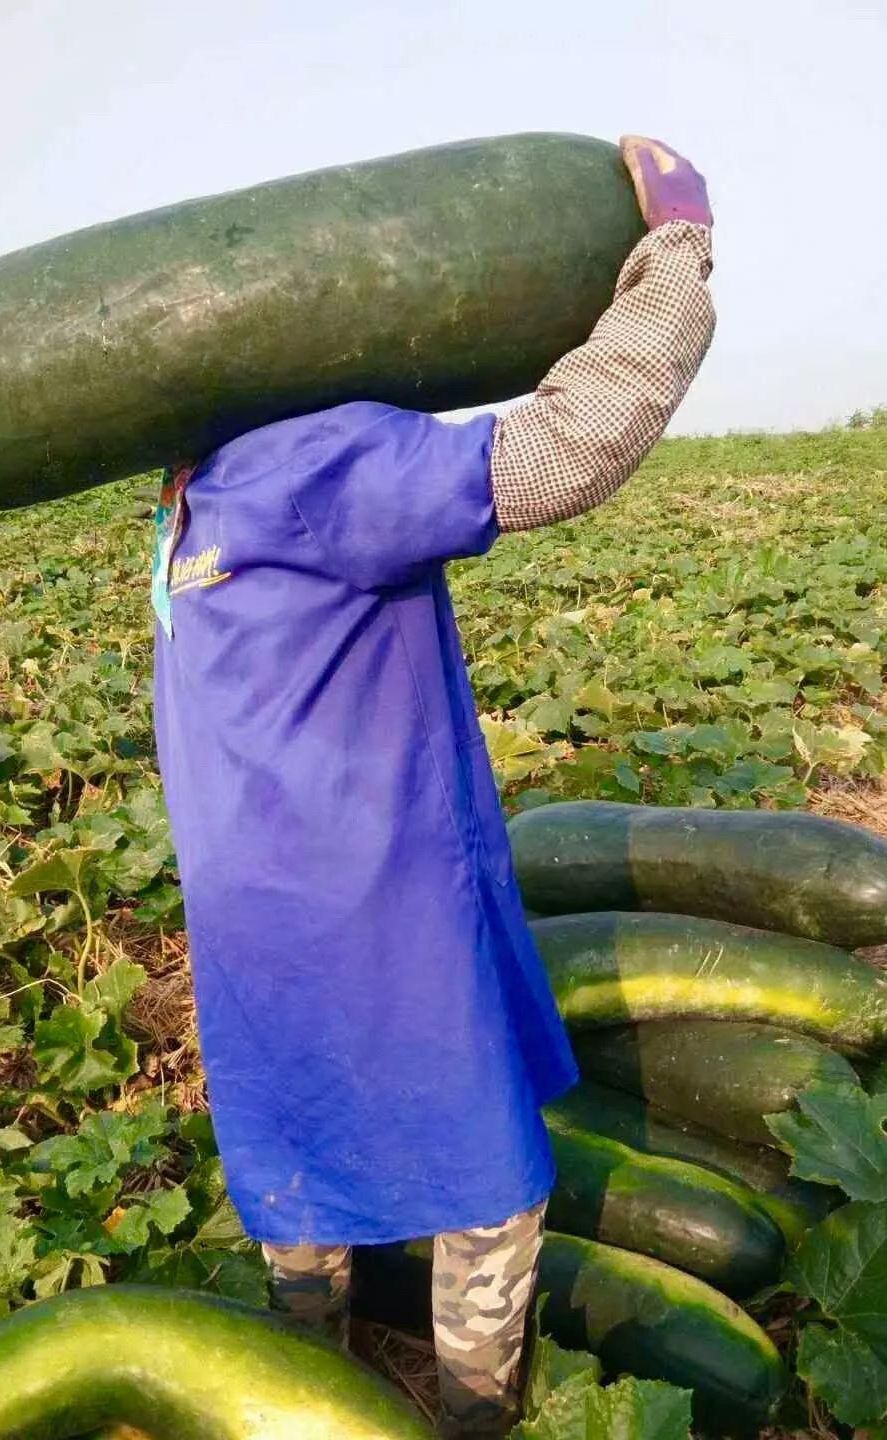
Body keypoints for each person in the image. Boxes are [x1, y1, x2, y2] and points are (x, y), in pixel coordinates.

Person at [151, 135, 715, 1437]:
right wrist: (672, 255)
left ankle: (308, 1381)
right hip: (377, 908)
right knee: (487, 1184)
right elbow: (558, 458)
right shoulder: (313, 457)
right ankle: (467, 1411)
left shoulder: (189, 490)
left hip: (250, 908)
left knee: (294, 1143)